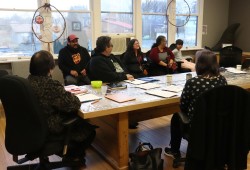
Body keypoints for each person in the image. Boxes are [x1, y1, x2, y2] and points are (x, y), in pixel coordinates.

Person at [28, 50, 96, 168]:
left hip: (31, 127)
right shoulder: (50, 85)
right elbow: (74, 104)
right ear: (50, 68)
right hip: (48, 127)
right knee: (89, 130)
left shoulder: (27, 81)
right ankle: (72, 157)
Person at [164, 50, 227, 158]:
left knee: (176, 117)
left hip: (198, 125)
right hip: (218, 123)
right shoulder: (222, 80)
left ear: (199, 64)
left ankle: (174, 151)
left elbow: (183, 105)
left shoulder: (193, 82)